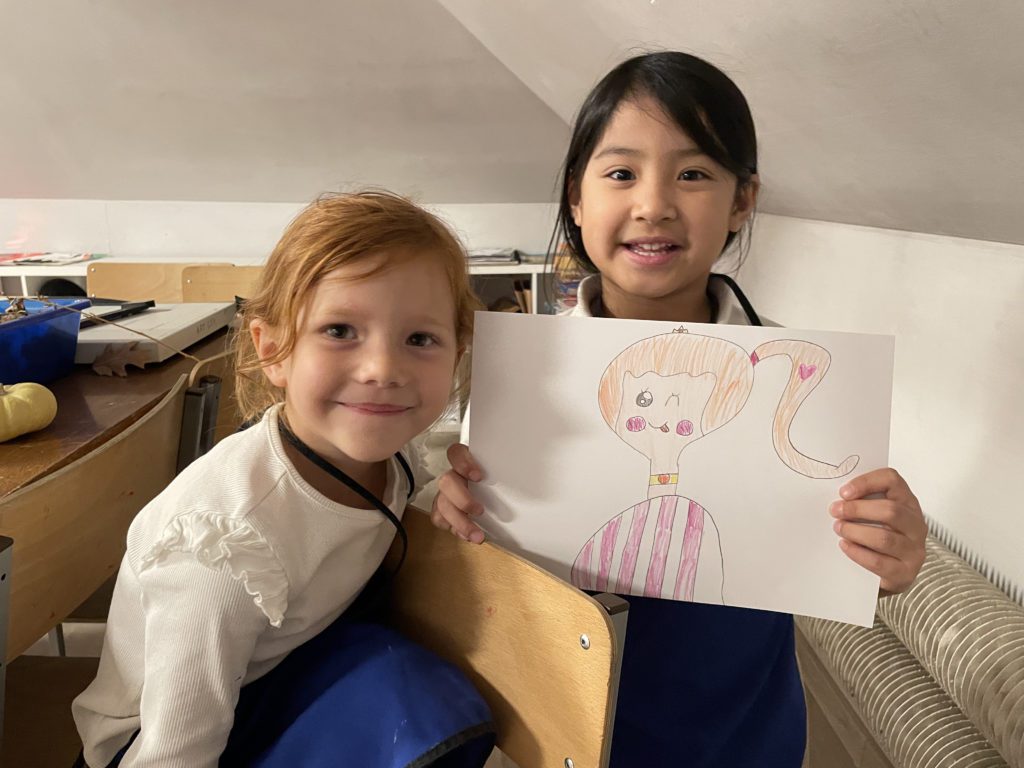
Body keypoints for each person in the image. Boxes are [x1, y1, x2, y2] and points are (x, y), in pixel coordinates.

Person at [429, 52, 927, 767]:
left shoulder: (797, 384)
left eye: (692, 174)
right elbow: (494, 582)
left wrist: (883, 560)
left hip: (745, 734)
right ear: (576, 198)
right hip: (571, 733)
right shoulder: (521, 381)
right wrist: (458, 522)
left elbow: (833, 554)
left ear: (742, 200)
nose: (653, 204)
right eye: (620, 173)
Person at [72, 191, 494, 767]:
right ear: (272, 350)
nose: (383, 370)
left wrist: (441, 499)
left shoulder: (392, 449)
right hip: (161, 739)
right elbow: (172, 754)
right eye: (340, 330)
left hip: (282, 669)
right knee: (422, 707)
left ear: (458, 353)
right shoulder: (225, 548)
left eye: (420, 339)